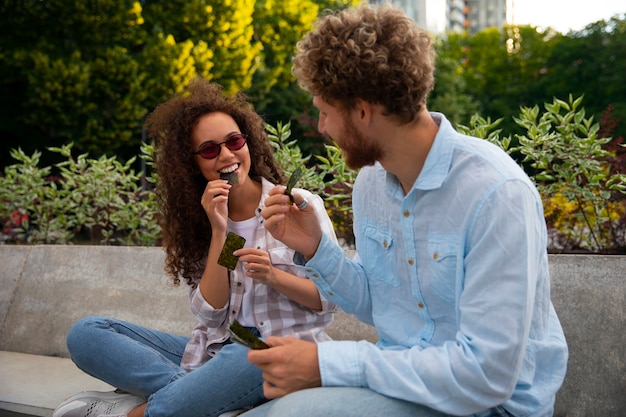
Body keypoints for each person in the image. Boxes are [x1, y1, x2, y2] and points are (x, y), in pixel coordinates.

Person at [242, 4, 568, 417]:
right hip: (400, 385)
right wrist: (315, 247)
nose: (322, 128)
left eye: (325, 112)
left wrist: (329, 365)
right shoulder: (372, 183)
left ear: (363, 111)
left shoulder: (497, 194)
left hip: (491, 407)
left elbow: (486, 375)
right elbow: (380, 303)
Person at [52, 78, 338, 417]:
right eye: (209, 149)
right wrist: (220, 230)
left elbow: (329, 300)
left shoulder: (297, 206)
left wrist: (275, 276)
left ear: (249, 142)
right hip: (213, 356)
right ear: (194, 164)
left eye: (234, 141)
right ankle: (203, 400)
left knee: (247, 354)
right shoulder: (204, 220)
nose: (227, 155)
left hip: (275, 356)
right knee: (87, 334)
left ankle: (135, 412)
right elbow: (210, 313)